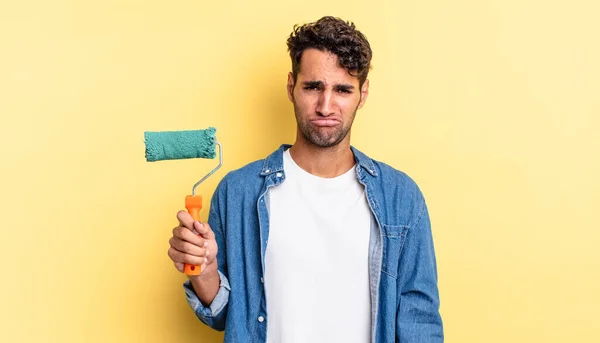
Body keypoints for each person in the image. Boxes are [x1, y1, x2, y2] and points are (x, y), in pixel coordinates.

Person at [168, 16, 443, 343]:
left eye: (342, 89)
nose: (326, 106)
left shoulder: (401, 197)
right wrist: (206, 270)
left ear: (363, 94)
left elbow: (420, 326)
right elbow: (226, 315)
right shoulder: (238, 192)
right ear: (291, 86)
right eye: (313, 86)